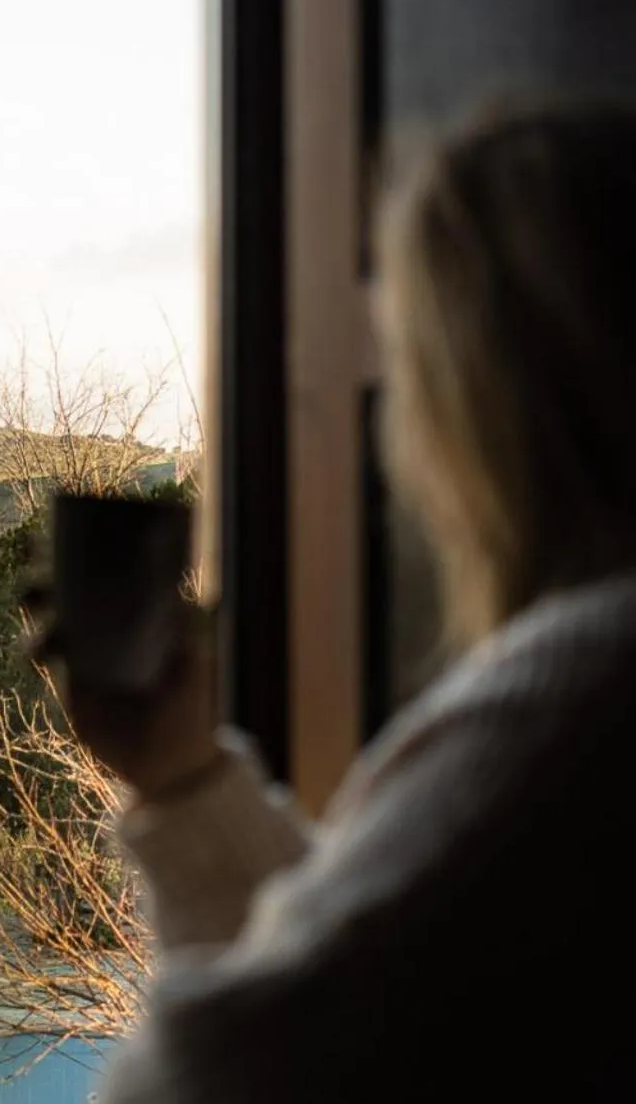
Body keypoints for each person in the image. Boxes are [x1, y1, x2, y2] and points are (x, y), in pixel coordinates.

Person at [45, 102, 636, 1101]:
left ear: (485, 395)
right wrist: (185, 781)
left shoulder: (565, 701)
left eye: (409, 367)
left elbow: (208, 1080)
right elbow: (372, 989)